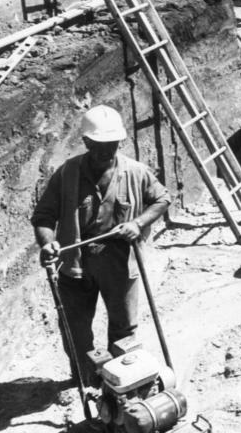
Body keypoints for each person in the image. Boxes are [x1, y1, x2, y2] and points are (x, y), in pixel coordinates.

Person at [32, 105, 170, 385]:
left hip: (119, 265)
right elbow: (43, 217)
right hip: (75, 267)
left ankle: (121, 384)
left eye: (111, 145)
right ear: (85, 142)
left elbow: (162, 199)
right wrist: (48, 244)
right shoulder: (66, 174)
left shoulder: (135, 171)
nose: (105, 151)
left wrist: (138, 223)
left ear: (120, 141)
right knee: (76, 331)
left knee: (124, 330)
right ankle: (85, 382)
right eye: (98, 145)